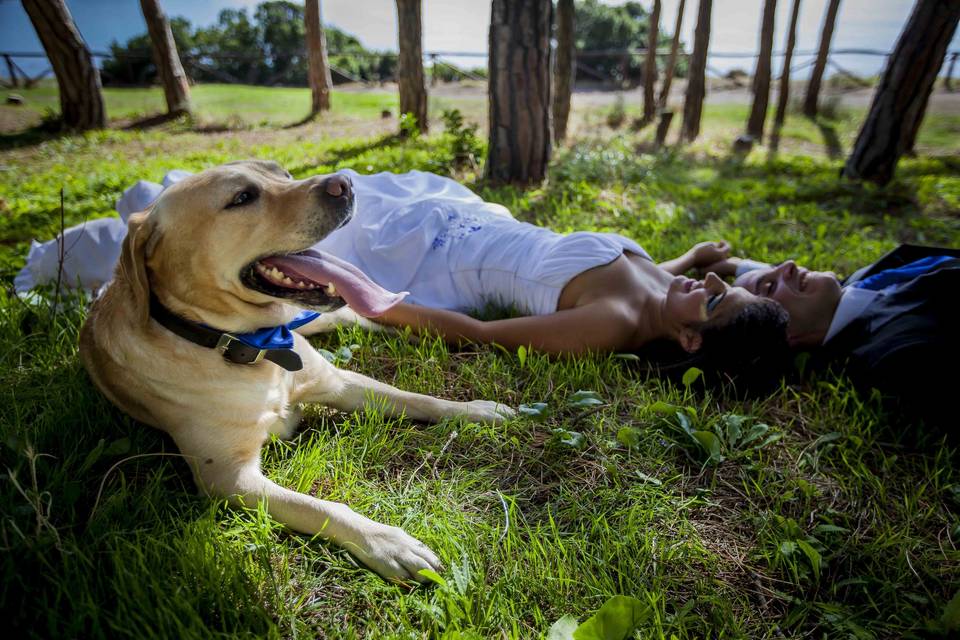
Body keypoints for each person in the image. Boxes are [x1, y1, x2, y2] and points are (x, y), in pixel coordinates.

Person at [16, 167, 789, 385]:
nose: (705, 284)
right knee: (243, 199)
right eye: (718, 284)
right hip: (455, 210)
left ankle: (48, 264)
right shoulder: (662, 282)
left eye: (713, 301)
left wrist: (376, 302)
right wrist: (698, 263)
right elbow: (636, 267)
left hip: (428, 258)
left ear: (688, 337)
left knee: (233, 237)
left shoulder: (611, 326)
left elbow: (485, 334)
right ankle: (150, 202)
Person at [706, 245, 960, 428]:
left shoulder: (849, 290)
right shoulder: (900, 356)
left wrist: (737, 265)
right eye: (770, 285)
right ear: (783, 331)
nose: (789, 265)